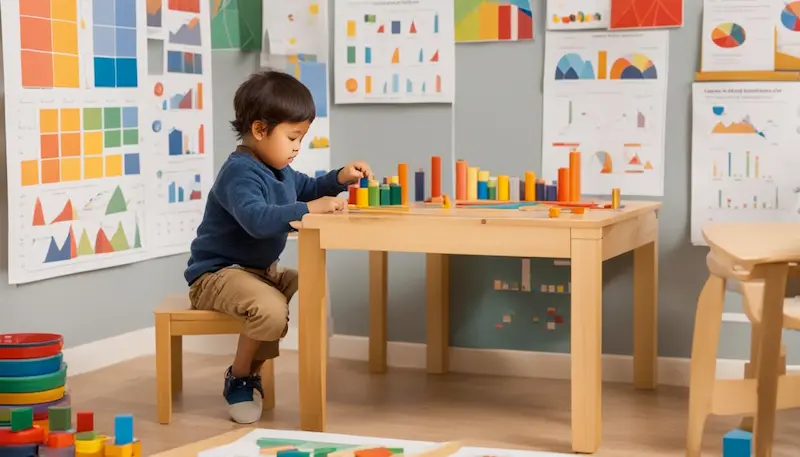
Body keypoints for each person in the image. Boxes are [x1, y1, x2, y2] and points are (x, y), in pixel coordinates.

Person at [184, 70, 372, 424]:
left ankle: (254, 359)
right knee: (271, 310)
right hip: (217, 274)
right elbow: (257, 219)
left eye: (301, 138)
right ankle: (240, 375)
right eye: (292, 137)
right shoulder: (239, 172)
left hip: (259, 272)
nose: (298, 147)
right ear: (259, 130)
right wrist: (307, 209)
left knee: (309, 281)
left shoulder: (280, 169)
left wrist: (339, 178)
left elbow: (311, 187)